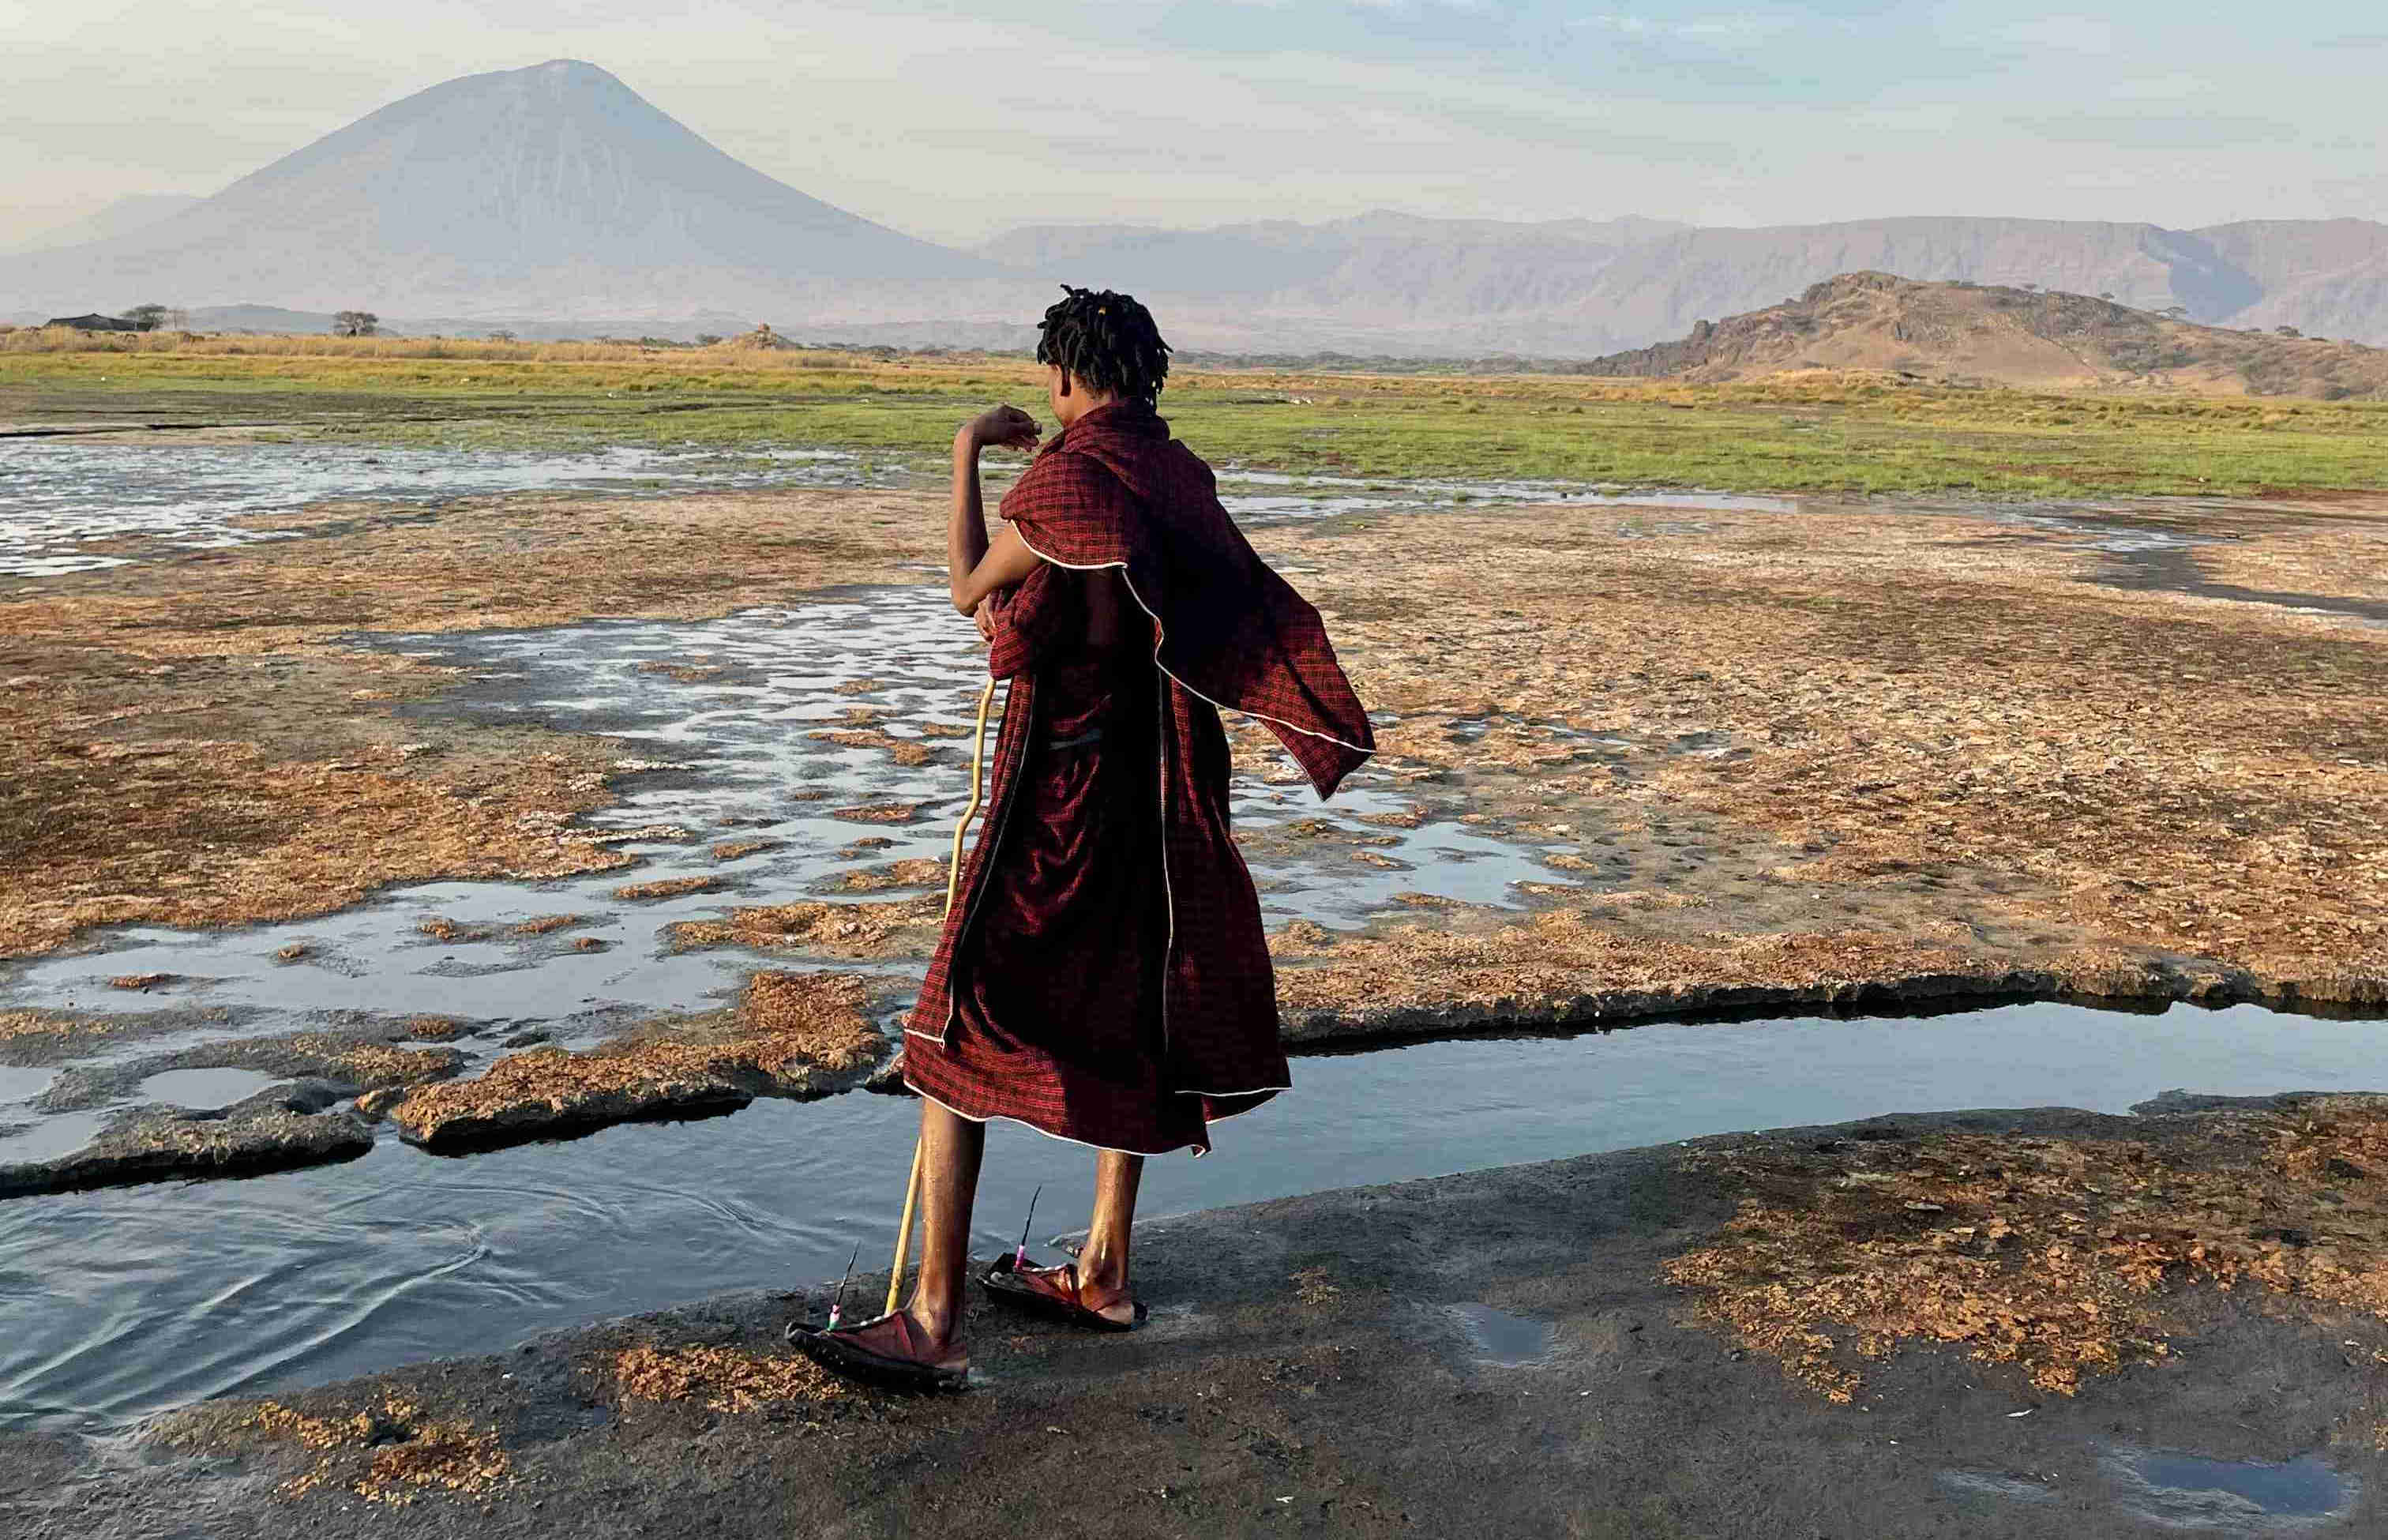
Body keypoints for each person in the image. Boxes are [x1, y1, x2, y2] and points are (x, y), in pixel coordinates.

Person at [793, 287, 1373, 1389]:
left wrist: (966, 447)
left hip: (1051, 795)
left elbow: (974, 594)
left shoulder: (1062, 483)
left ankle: (933, 1317)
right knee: (1136, 1003)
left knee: (953, 1026)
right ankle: (1101, 1268)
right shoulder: (1178, 480)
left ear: (1064, 378)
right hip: (1153, 798)